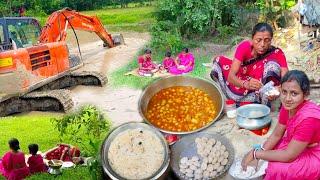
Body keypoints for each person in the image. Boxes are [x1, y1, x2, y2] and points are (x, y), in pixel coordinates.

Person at [241, 70, 320, 179]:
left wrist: (256, 153)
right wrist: (259, 152)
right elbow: (277, 135)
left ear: (305, 95)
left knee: (276, 168)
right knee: (271, 150)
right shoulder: (288, 107)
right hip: (297, 145)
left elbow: (289, 156)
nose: (287, 99)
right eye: (284, 92)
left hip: (313, 154)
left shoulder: (309, 119)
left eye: (294, 93)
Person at [210, 23, 288, 104]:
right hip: (244, 78)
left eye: (267, 40)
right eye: (258, 40)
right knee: (219, 60)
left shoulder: (277, 53)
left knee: (272, 65)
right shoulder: (244, 47)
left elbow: (286, 78)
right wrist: (246, 84)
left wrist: (278, 89)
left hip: (262, 85)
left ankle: (264, 95)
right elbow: (231, 77)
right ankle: (253, 96)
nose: (262, 45)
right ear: (252, 39)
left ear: (271, 40)